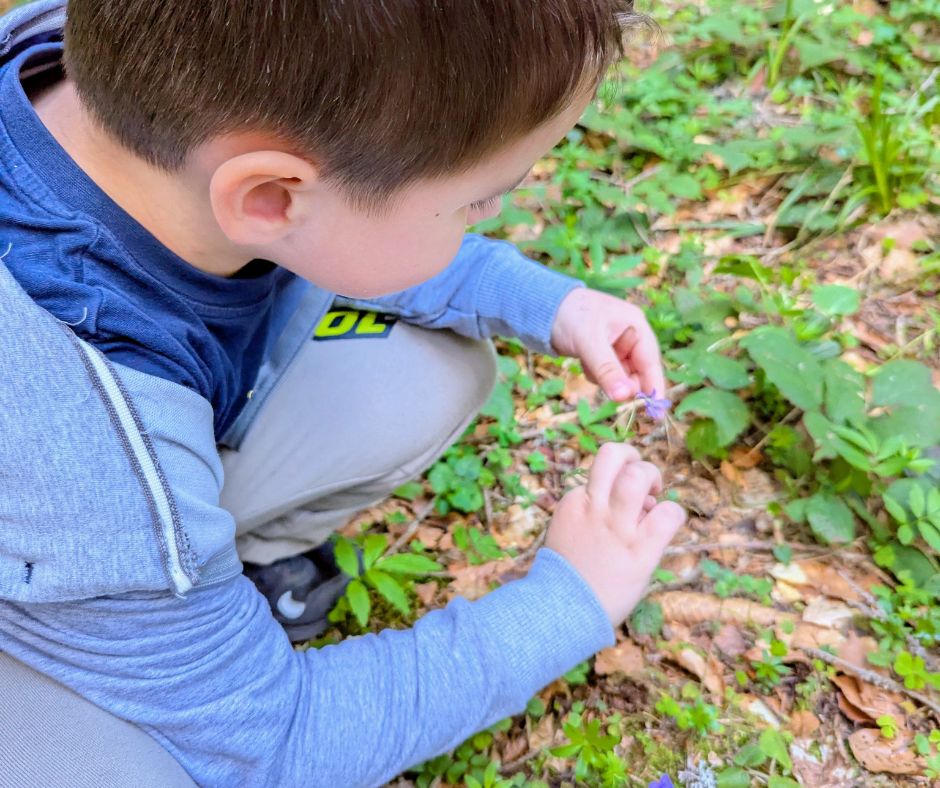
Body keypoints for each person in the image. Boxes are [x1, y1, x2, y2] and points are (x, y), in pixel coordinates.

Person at [0, 1, 686, 785]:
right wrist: (571, 600)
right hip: (60, 522)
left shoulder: (92, 68)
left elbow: (336, 231)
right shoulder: (78, 452)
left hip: (81, 504)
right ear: (267, 198)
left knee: (426, 372)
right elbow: (278, 743)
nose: (489, 215)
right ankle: (151, 628)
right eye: (474, 201)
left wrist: (537, 299)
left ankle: (189, 601)